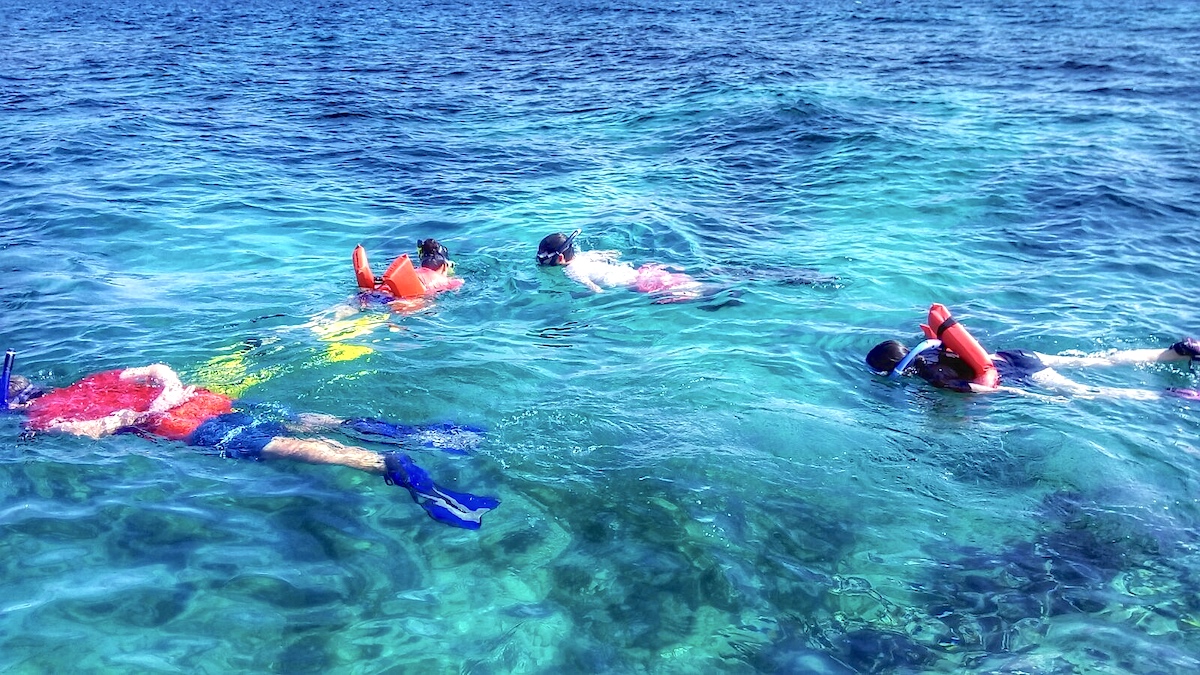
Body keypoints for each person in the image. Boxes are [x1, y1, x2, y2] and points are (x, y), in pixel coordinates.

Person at [2, 356, 498, 529]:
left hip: (186, 426)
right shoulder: (90, 379)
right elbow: (158, 370)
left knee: (282, 444)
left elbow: (97, 429)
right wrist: (170, 392)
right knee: (304, 420)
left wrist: (137, 415)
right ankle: (405, 432)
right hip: (206, 400)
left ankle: (386, 464)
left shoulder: (42, 418)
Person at [866, 304, 1200, 400]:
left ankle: (1170, 395)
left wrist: (1037, 398)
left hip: (1018, 374)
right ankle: (1175, 353)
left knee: (1089, 393)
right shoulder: (935, 346)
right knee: (1096, 361)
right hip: (1017, 355)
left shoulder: (933, 378)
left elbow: (982, 388)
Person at [536, 230, 704, 302]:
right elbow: (613, 254)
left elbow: (597, 290)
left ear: (559, 258)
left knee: (701, 295)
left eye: (542, 256)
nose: (539, 259)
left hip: (640, 285)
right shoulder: (583, 257)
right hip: (641, 272)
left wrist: (577, 295)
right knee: (697, 285)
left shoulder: (573, 272)